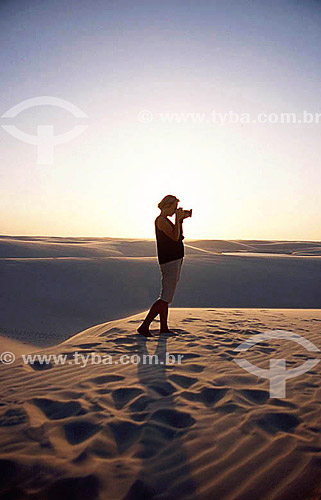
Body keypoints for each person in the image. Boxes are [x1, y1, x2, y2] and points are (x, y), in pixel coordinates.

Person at [137, 194, 186, 337]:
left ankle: (163, 327)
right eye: (174, 208)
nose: (174, 211)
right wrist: (177, 220)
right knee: (165, 297)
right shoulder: (161, 221)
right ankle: (144, 326)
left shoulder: (166, 221)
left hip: (174, 259)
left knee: (166, 296)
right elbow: (174, 237)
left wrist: (180, 222)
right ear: (166, 206)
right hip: (169, 261)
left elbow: (179, 237)